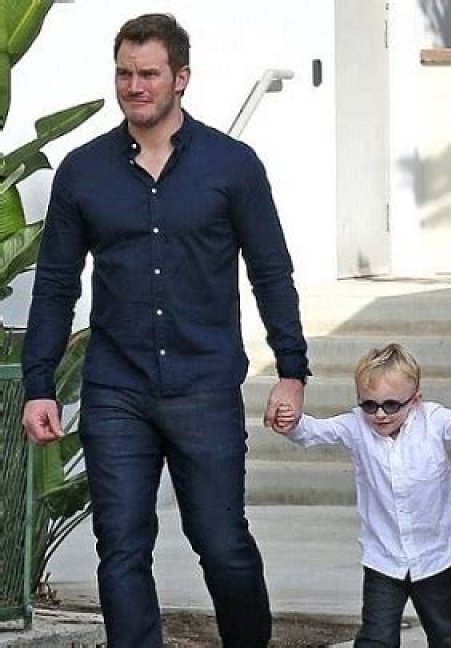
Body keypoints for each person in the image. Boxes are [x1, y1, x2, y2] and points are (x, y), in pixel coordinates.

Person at [21, 13, 309, 647]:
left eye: (148, 74)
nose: (134, 86)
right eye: (124, 73)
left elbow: (271, 273)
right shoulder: (84, 171)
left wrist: (292, 369)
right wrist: (40, 384)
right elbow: (56, 284)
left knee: (223, 544)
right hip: (115, 390)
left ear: (181, 78)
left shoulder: (232, 166)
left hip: (204, 386)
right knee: (121, 548)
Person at [271, 342, 451, 648]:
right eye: (369, 405)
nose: (379, 414)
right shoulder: (355, 426)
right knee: (376, 638)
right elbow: (314, 432)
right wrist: (291, 422)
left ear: (415, 400)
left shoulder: (433, 420)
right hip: (384, 560)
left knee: (447, 635)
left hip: (434, 557)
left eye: (391, 405)